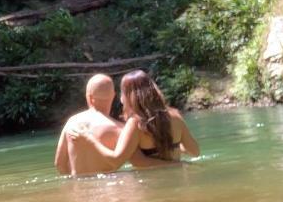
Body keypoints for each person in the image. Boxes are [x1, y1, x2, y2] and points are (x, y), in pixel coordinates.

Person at [68, 69, 199, 170]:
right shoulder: (175, 116)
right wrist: (170, 148)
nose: (120, 98)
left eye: (122, 93)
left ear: (129, 96)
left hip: (151, 189)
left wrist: (89, 139)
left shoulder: (136, 124)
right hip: (178, 180)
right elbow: (195, 151)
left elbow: (115, 160)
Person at [54, 73, 174, 175]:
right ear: (113, 96)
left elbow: (59, 164)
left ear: (89, 98)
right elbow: (141, 162)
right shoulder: (120, 129)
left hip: (79, 191)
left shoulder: (71, 122)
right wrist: (175, 164)